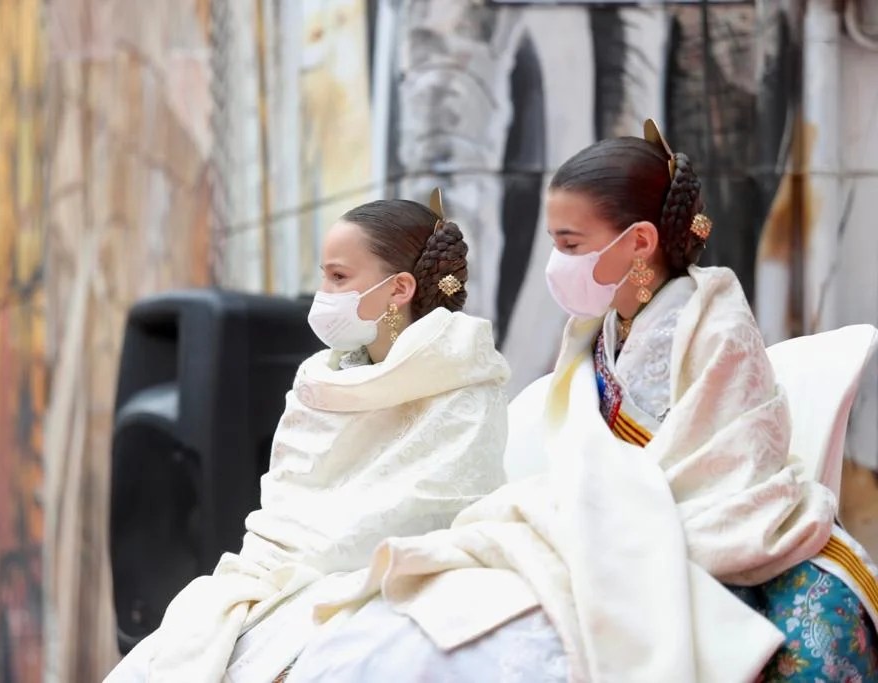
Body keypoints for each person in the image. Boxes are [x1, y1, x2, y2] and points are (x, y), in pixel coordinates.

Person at [286, 122, 878, 682]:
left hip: (712, 527)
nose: (557, 263)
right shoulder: (594, 335)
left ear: (639, 242)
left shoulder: (715, 325)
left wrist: (602, 512)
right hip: (610, 524)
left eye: (571, 244)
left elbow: (723, 466)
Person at [103, 193, 511, 683]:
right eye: (324, 275)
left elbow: (428, 512)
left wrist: (302, 567)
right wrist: (264, 574)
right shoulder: (319, 381)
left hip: (379, 594)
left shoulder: (462, 378)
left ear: (398, 288)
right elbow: (281, 514)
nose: (323, 292)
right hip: (280, 580)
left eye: (338, 277)